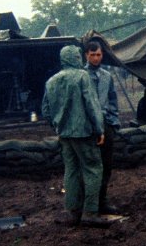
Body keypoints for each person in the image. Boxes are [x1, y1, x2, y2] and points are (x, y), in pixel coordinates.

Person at [41, 45, 109, 228]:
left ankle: (72, 212)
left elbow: (45, 110)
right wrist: (99, 129)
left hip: (64, 135)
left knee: (71, 171)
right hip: (83, 133)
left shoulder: (52, 81)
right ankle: (90, 213)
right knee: (93, 169)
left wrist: (58, 125)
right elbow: (92, 105)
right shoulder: (82, 76)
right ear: (76, 58)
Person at [84, 40, 121, 215]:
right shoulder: (81, 76)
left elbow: (113, 100)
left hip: (106, 125)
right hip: (88, 127)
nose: (96, 58)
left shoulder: (107, 76)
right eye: (92, 55)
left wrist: (113, 122)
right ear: (86, 55)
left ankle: (102, 201)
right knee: (91, 166)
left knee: (106, 165)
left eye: (98, 55)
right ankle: (88, 204)